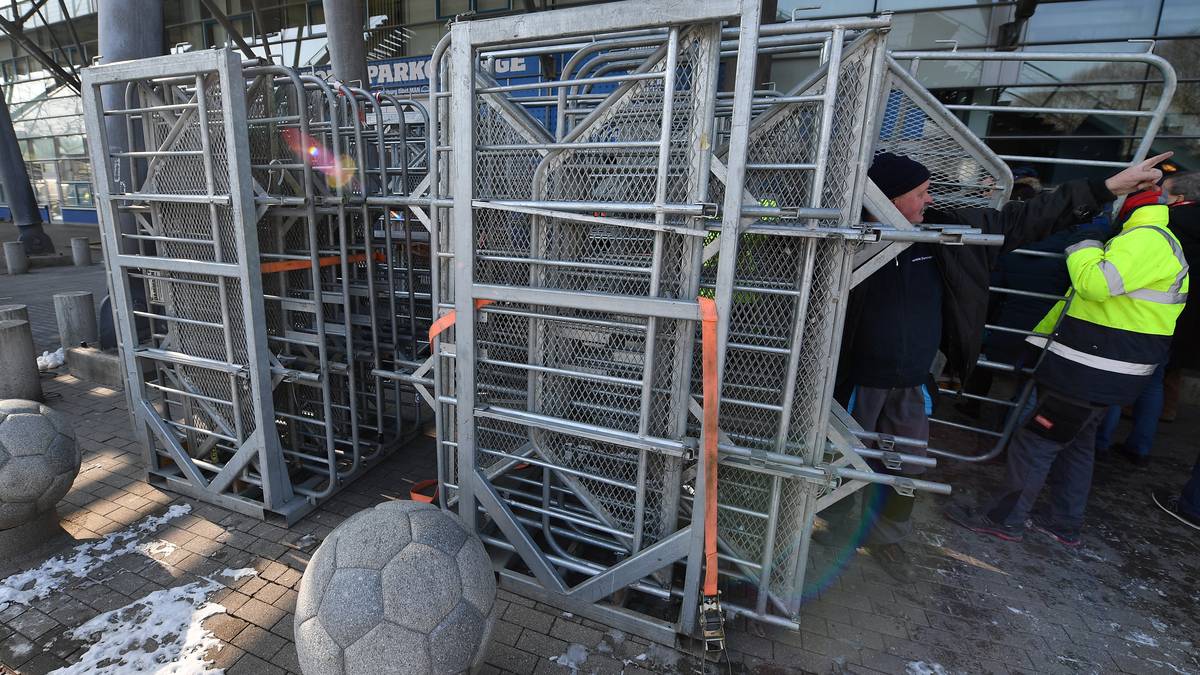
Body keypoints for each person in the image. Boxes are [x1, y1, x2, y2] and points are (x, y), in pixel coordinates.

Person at [820, 151, 1172, 580]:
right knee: (841, 463)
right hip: (855, 381)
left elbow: (1026, 218)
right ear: (888, 199)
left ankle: (887, 538)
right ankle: (834, 533)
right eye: (920, 193)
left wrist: (1108, 188)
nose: (929, 200)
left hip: (913, 382)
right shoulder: (844, 239)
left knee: (906, 467)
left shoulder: (947, 234)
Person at [947, 156, 1188, 548]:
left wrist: (1085, 243)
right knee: (1076, 445)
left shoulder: (1144, 241)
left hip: (1090, 369)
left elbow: (1094, 284)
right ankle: (1065, 523)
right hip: (1101, 369)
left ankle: (1004, 518)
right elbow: (1086, 303)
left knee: (1035, 443)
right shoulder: (1148, 240)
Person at [1094, 171, 1200, 464]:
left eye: (1163, 193)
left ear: (1179, 198)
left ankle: (1100, 441)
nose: (1159, 200)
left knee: (1116, 380)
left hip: (1138, 316)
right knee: (1155, 383)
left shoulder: (1164, 226)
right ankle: (1140, 446)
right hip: (1177, 316)